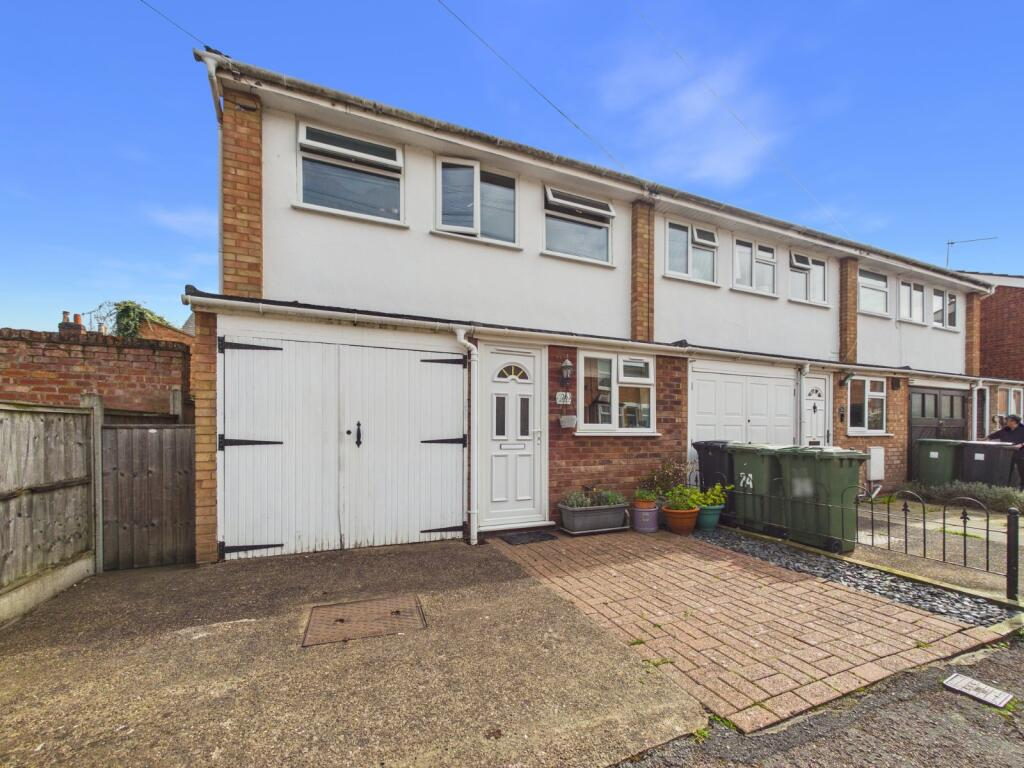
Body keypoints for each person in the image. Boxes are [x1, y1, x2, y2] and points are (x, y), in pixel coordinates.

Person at [986, 414, 1024, 489]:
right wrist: (983, 439)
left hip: (1021, 454)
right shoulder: (1006, 429)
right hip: (1008, 454)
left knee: (1022, 471)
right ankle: (1006, 487)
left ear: (1014, 422)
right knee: (1007, 470)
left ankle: (1022, 488)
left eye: (1008, 420)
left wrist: (1021, 445)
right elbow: (994, 435)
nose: (1006, 421)